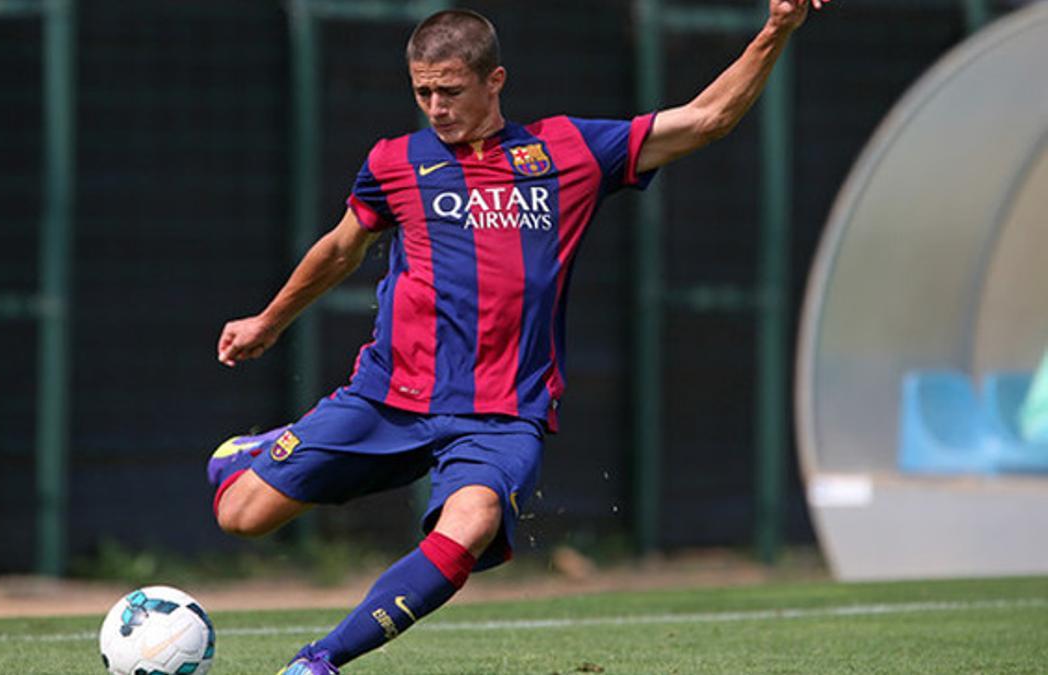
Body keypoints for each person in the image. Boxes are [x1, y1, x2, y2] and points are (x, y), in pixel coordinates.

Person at [209, 2, 824, 672]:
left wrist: (776, 30)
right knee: (240, 514)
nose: (436, 107)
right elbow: (339, 250)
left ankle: (319, 660)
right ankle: (263, 447)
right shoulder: (395, 161)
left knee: (468, 526)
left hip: (500, 415)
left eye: (451, 90)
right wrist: (269, 320)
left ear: (494, 80)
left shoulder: (569, 152)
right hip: (389, 396)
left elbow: (708, 119)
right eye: (423, 92)